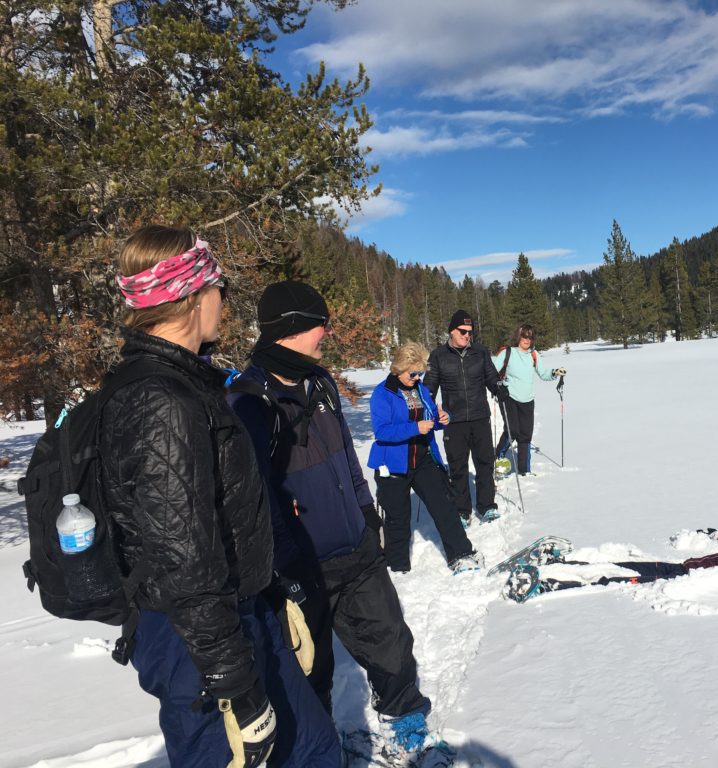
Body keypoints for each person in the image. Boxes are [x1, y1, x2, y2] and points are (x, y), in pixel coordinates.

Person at [103, 227, 342, 767]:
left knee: (316, 750)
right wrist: (233, 680)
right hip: (199, 648)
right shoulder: (162, 402)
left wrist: (273, 595)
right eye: (220, 286)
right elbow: (180, 559)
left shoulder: (188, 385)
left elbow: (222, 517)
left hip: (237, 617)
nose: (225, 301)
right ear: (191, 294)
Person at [229, 281, 438, 759]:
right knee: (309, 667)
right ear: (292, 327)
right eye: (320, 322)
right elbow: (256, 495)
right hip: (301, 563)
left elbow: (345, 453)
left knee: (388, 636)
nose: (327, 330)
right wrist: (285, 566)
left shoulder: (319, 381)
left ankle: (403, 714)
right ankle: (319, 744)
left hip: (355, 544)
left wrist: (367, 513)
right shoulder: (249, 400)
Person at [506, 514, 718, 611]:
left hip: (681, 583)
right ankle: (565, 563)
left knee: (613, 578)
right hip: (683, 570)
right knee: (625, 565)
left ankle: (547, 584)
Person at [369, 342, 480, 573]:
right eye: (413, 373)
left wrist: (443, 418)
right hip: (393, 464)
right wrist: (414, 428)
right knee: (397, 518)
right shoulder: (382, 393)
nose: (418, 377)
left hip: (423, 458)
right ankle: (397, 566)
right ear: (399, 368)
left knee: (444, 507)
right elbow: (382, 432)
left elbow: (432, 418)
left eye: (421, 373)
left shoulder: (421, 389)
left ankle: (461, 554)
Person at [423, 310, 503, 525]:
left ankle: (487, 506)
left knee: (485, 463)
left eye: (470, 332)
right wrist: (427, 407)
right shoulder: (438, 356)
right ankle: (462, 510)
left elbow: (491, 377)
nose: (467, 335)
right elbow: (428, 387)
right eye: (463, 331)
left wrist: (498, 388)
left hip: (479, 416)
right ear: (452, 330)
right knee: (457, 467)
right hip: (453, 420)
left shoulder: (480, 352)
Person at [492, 324, 567, 475]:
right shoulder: (508, 352)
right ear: (518, 337)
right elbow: (491, 371)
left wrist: (554, 372)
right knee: (513, 430)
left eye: (530, 337)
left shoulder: (534, 355)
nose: (527, 340)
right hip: (509, 397)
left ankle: (524, 471)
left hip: (528, 399)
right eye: (524, 336)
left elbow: (543, 373)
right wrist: (499, 386)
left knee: (525, 435)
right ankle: (498, 456)